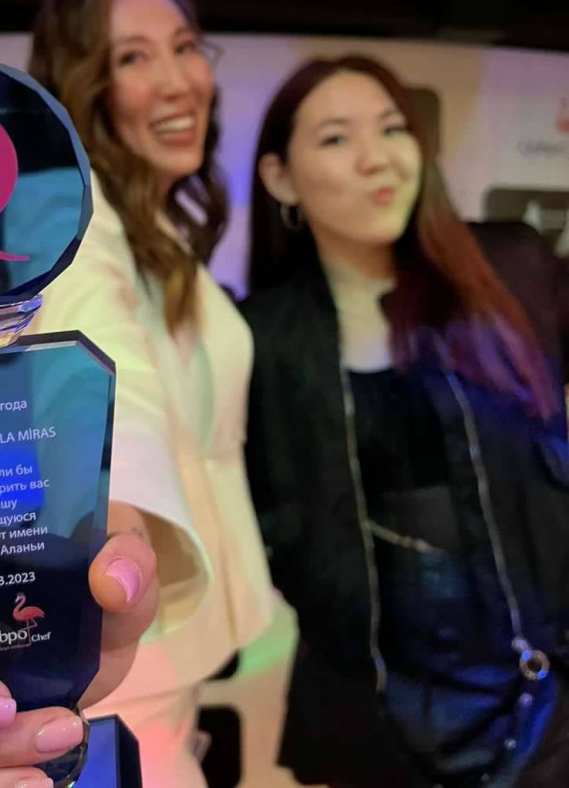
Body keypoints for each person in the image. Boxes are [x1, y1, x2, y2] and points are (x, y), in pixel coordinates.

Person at [0, 0, 274, 788]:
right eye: (132, 57)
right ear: (81, 84)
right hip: (121, 667)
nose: (177, 80)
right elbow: (106, 377)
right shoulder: (67, 212)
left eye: (185, 46)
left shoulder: (150, 223)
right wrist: (112, 529)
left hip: (159, 661)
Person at [241, 55, 569, 788]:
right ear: (280, 178)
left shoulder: (512, 269)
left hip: (545, 707)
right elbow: (271, 517)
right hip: (375, 719)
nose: (376, 158)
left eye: (392, 128)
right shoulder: (263, 336)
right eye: (336, 138)